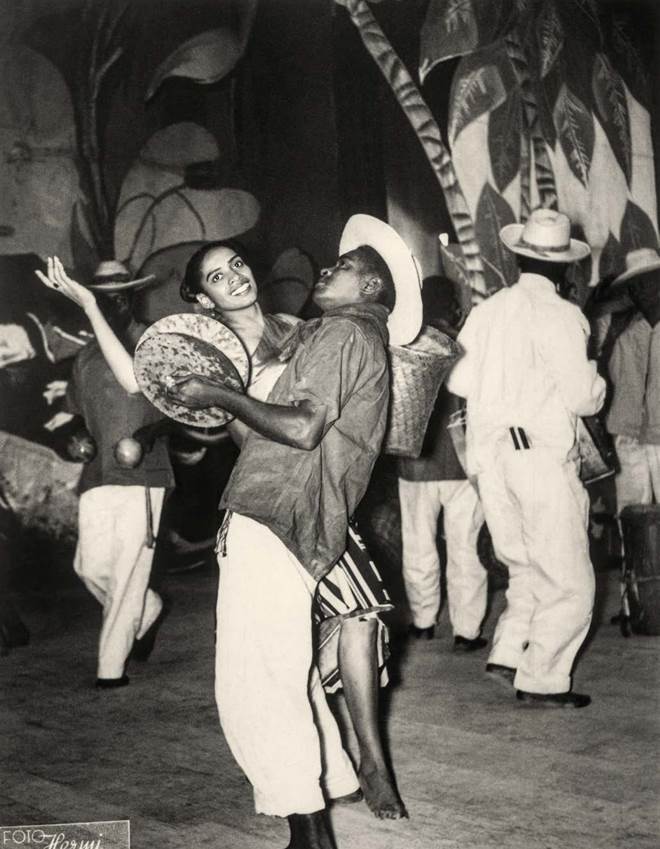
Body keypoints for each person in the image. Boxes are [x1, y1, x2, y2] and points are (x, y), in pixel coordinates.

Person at [166, 215, 421, 849]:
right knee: (289, 665)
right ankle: (334, 779)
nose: (325, 269)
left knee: (255, 680)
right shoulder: (344, 335)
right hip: (306, 519)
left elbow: (303, 428)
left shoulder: (334, 333)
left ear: (372, 289)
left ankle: (308, 830)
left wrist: (221, 396)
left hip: (273, 511)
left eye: (345, 267)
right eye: (216, 276)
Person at [447, 209, 606, 709]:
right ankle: (542, 680)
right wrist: (597, 379)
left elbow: (458, 382)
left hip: (490, 457)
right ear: (565, 268)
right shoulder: (562, 315)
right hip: (537, 455)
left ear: (518, 259)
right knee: (569, 577)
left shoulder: (487, 310)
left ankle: (509, 652)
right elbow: (582, 397)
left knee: (523, 564)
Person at [35, 259, 174, 688]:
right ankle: (147, 609)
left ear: (131, 295)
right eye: (102, 295)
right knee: (90, 566)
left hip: (143, 474)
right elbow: (73, 412)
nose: (111, 302)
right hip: (97, 473)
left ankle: (110, 670)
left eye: (119, 294)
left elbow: (179, 411)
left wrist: (148, 435)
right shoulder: (87, 355)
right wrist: (73, 435)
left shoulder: (157, 342)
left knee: (128, 571)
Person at [398, 280, 487, 649]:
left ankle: (423, 620)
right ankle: (467, 631)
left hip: (413, 463)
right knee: (466, 547)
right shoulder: (465, 343)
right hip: (461, 463)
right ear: (452, 305)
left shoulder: (403, 343)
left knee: (417, 544)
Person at [597, 248, 660, 512]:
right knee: (633, 512)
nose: (647, 287)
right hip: (625, 431)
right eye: (639, 282)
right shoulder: (610, 322)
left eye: (653, 279)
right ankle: (635, 555)